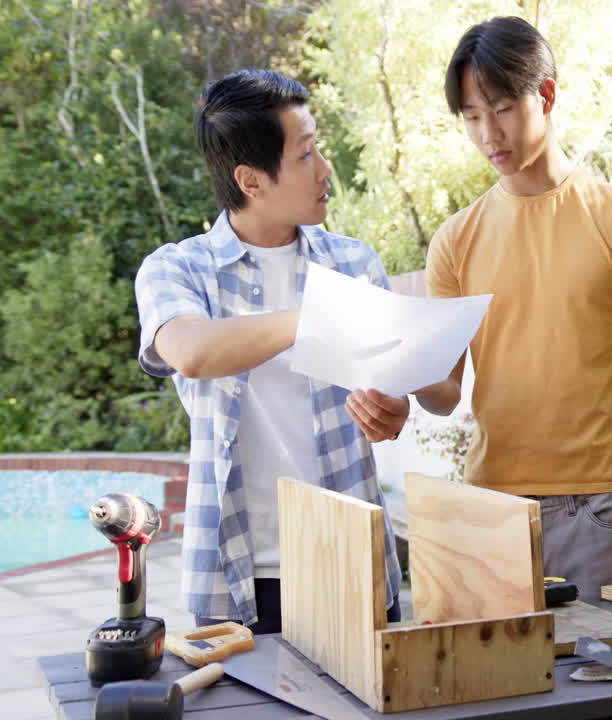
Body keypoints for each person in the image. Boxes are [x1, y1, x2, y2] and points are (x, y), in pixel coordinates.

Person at [415, 17, 612, 602]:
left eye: (502, 109)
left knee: (607, 665)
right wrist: (400, 370)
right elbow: (444, 393)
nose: (488, 133)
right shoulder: (454, 241)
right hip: (489, 508)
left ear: (545, 95)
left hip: (595, 511)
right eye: (471, 117)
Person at [134, 69, 407, 632]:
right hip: (238, 574)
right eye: (305, 155)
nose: (325, 169)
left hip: (352, 562)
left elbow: (392, 387)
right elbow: (192, 352)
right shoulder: (177, 269)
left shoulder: (355, 264)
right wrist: (318, 316)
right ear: (251, 180)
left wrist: (392, 409)